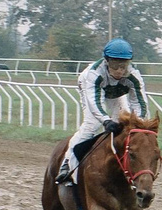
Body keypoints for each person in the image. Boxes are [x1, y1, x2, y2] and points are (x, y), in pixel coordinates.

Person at [60, 39, 151, 194]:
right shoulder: (94, 74)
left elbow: (141, 105)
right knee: (92, 125)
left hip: (116, 92)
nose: (120, 71)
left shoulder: (134, 75)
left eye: (124, 65)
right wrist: (105, 120)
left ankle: (122, 167)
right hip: (93, 90)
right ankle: (67, 164)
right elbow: (95, 103)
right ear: (106, 61)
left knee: (123, 123)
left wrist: (139, 124)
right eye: (116, 65)